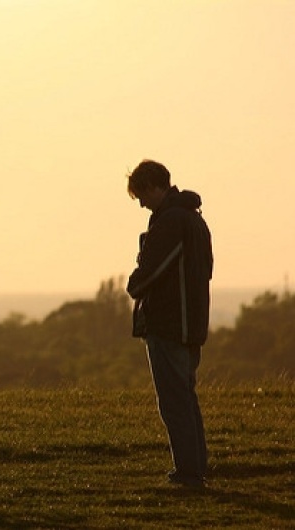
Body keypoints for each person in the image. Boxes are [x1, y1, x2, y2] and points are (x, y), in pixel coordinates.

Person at [125, 159, 213, 489]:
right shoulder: (195, 220)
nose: (142, 203)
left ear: (153, 186)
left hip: (169, 325)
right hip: (192, 325)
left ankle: (188, 474)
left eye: (142, 195)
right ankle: (196, 467)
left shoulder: (171, 222)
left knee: (174, 401)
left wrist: (133, 282)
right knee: (186, 399)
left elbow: (148, 273)